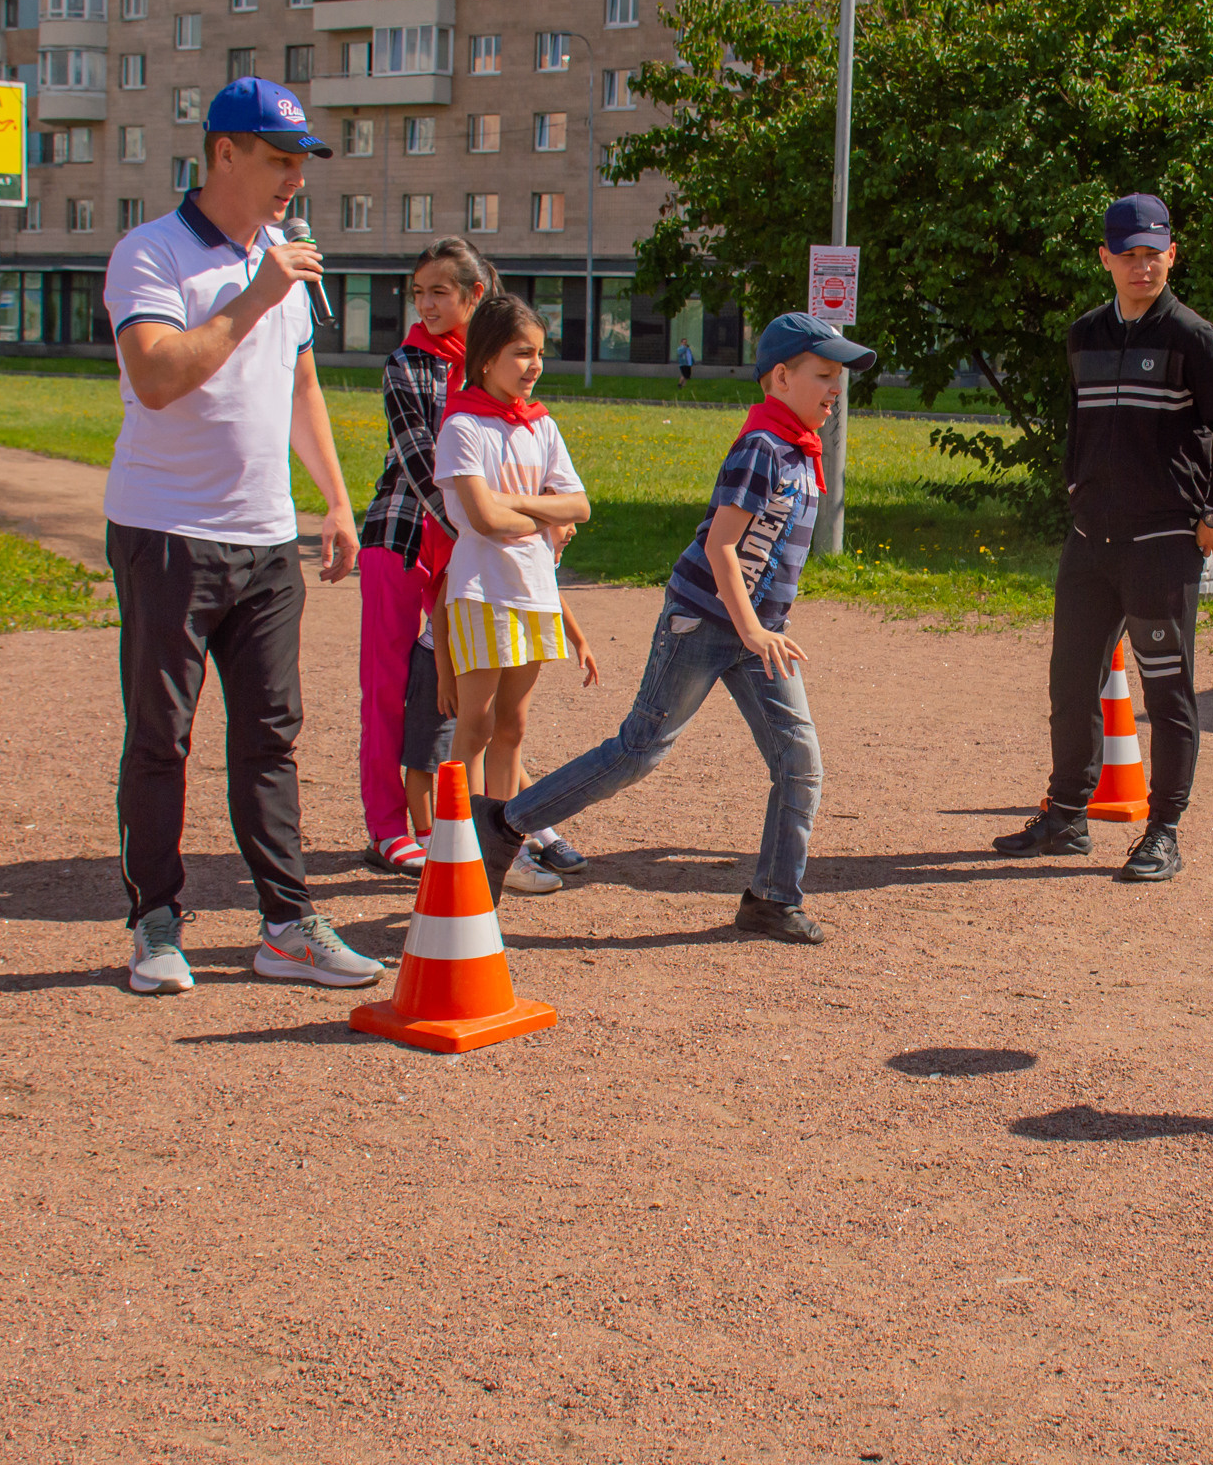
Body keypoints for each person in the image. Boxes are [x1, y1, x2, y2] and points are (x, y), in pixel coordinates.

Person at [470, 312, 873, 944]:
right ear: (779, 378)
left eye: (838, 379)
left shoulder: (798, 452)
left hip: (752, 631)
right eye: (823, 375)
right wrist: (753, 629)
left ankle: (772, 898)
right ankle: (503, 823)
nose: (834, 390)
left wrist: (761, 629)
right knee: (638, 752)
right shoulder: (762, 449)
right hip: (704, 623)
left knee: (799, 763)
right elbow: (721, 549)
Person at [101, 76, 377, 996]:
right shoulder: (152, 253)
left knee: (270, 735)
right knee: (161, 737)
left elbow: (300, 388)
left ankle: (287, 925)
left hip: (265, 542)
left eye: (301, 162)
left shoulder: (282, 260)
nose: (295, 179)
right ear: (224, 152)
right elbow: (155, 378)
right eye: (280, 160)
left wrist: (335, 502)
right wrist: (254, 295)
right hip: (166, 531)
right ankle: (155, 924)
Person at [990, 192, 1213, 884]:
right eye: (1129, 255)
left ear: (1172, 255)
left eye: (1154, 255)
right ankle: (1067, 817)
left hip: (1164, 543)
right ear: (1105, 258)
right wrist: (1077, 489)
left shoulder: (1193, 339)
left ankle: (1163, 831)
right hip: (1091, 541)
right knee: (1070, 681)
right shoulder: (1085, 335)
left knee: (1166, 688)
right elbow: (1081, 430)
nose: (1142, 267)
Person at [432, 295, 595, 897]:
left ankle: (505, 846)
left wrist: (522, 504)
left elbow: (578, 506)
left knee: (513, 728)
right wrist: (539, 513)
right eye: (521, 353)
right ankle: (457, 849)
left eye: (539, 354)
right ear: (485, 359)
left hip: (532, 590)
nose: (534, 365)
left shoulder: (542, 425)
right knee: (471, 728)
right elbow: (482, 520)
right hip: (482, 592)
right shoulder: (462, 427)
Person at [359, 236, 490, 878]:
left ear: (475, 295)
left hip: (470, 548)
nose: (427, 304)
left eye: (440, 291)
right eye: (419, 293)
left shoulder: (494, 362)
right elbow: (419, 464)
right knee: (386, 689)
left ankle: (490, 815)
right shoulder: (407, 365)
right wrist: (477, 531)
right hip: (403, 538)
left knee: (480, 688)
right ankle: (387, 827)